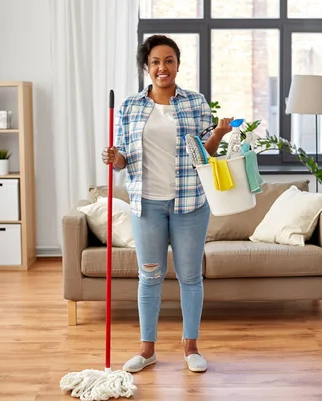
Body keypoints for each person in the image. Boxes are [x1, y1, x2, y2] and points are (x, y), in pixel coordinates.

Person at [101, 35, 233, 373]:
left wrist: (218, 132)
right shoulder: (131, 106)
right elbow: (123, 160)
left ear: (177, 64)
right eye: (156, 62)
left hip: (190, 202)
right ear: (147, 67)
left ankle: (191, 347)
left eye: (169, 60)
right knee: (150, 277)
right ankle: (147, 350)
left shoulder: (195, 101)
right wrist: (114, 158)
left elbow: (207, 153)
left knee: (190, 277)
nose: (163, 67)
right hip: (147, 206)